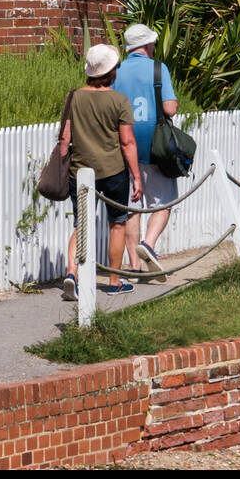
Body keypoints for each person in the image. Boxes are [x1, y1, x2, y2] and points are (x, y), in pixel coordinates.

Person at [60, 43, 142, 300]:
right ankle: (115, 282)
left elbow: (65, 138)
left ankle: (72, 273)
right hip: (114, 171)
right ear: (112, 71)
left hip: (80, 171)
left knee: (80, 224)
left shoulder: (74, 97)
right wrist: (137, 176)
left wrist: (62, 165)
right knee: (117, 224)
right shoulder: (119, 101)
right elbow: (127, 142)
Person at [113, 23, 179, 279]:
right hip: (155, 145)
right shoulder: (158, 69)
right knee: (163, 202)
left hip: (125, 145)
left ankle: (134, 266)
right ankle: (148, 244)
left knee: (132, 206)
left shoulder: (116, 71)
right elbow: (170, 108)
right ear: (149, 44)